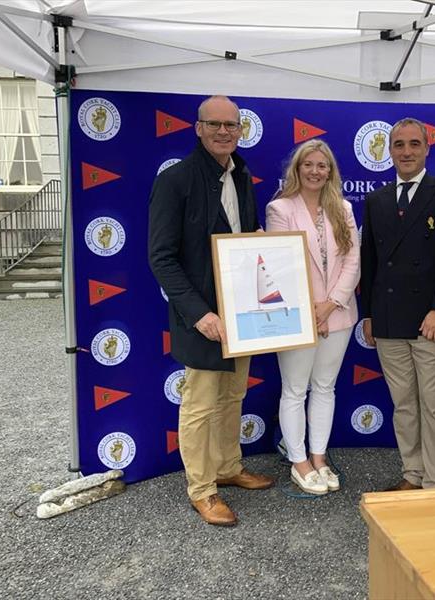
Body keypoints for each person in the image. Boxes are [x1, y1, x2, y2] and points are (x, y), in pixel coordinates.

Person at [148, 95, 274, 527]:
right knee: (200, 405)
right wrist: (199, 314)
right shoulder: (175, 181)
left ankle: (227, 466)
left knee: (233, 395)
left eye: (231, 125)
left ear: (241, 130)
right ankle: (202, 488)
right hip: (201, 318)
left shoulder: (242, 177)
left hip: (244, 314)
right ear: (198, 128)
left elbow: (242, 241)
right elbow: (161, 257)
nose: (224, 131)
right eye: (215, 124)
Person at [360, 117, 435, 490]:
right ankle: (414, 474)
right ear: (389, 151)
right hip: (390, 321)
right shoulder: (376, 201)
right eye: (399, 144)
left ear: (427, 148)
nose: (406, 151)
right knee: (405, 406)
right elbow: (370, 262)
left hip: (432, 322)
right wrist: (369, 315)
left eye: (414, 144)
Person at [266, 139, 361, 495]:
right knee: (293, 390)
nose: (316, 171)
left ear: (331, 171)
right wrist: (311, 309)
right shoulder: (280, 208)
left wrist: (331, 303)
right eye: (309, 164)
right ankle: (298, 461)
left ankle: (319, 457)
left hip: (338, 315)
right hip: (296, 316)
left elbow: (353, 260)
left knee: (324, 387)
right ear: (298, 168)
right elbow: (281, 265)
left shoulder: (344, 209)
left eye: (323, 165)